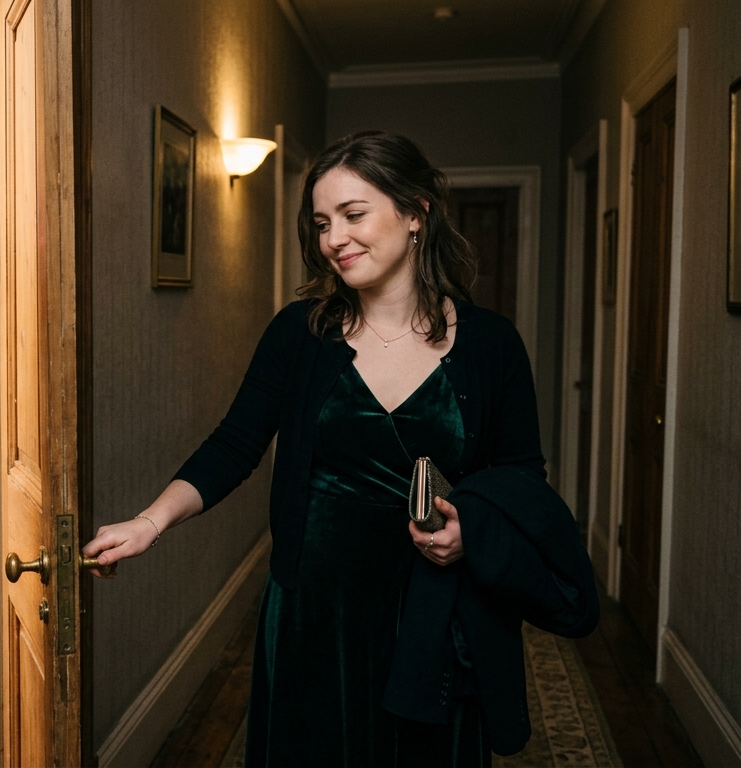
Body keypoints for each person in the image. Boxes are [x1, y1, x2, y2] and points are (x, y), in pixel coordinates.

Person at [82, 131, 598, 767]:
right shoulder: (299, 334)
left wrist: (474, 532)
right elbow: (234, 445)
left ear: (415, 213)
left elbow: (521, 475)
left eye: (354, 215)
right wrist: (150, 521)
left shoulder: (492, 344)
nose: (334, 239)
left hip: (434, 610)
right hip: (314, 610)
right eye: (323, 223)